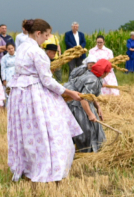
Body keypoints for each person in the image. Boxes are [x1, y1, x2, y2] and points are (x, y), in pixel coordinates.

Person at [7, 19, 83, 183]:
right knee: (48, 131)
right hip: (35, 95)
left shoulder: (21, 47)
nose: (47, 38)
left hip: (20, 95)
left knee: (27, 132)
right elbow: (47, 80)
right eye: (46, 35)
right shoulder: (37, 52)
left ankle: (27, 166)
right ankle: (46, 166)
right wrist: (68, 92)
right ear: (38, 33)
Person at [65, 58, 109, 153]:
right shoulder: (92, 80)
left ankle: (94, 148)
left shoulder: (95, 76)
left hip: (81, 102)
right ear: (104, 72)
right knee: (86, 128)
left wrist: (98, 107)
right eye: (108, 71)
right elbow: (84, 99)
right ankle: (86, 150)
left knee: (94, 125)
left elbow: (90, 95)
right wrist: (90, 114)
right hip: (76, 103)